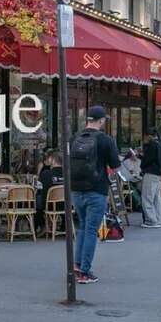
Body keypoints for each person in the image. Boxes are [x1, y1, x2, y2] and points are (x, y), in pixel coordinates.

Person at [67, 106, 121, 285]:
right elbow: (115, 165)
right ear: (101, 121)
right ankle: (85, 271)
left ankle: (77, 265)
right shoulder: (106, 140)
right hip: (97, 190)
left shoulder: (75, 138)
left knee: (82, 227)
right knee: (91, 230)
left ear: (87, 120)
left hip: (76, 190)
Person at [139, 131, 161, 228]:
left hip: (151, 173)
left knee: (147, 197)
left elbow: (147, 160)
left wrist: (141, 160)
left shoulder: (152, 145)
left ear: (149, 136)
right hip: (159, 174)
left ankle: (151, 221)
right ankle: (157, 219)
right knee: (156, 198)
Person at [35, 149, 63, 236]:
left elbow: (39, 187)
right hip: (67, 205)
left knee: (37, 201)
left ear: (53, 160)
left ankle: (40, 225)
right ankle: (64, 226)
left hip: (49, 205)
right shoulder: (68, 173)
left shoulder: (46, 174)